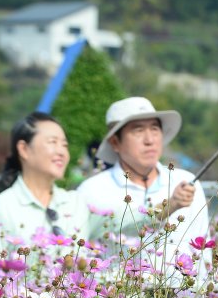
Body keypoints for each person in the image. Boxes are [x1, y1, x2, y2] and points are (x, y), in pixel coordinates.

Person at [77, 97, 210, 281]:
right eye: (138, 130)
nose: (149, 140)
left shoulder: (186, 181)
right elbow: (80, 255)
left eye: (155, 129)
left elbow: (202, 250)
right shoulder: (92, 191)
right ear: (115, 142)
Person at [0, 112, 91, 256]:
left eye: (65, 145)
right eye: (52, 142)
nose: (62, 151)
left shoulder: (76, 203)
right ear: (24, 149)